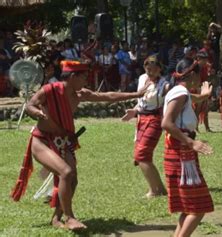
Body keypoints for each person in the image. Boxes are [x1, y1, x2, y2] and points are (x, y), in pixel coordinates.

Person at [10, 60, 148, 230]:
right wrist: (37, 113)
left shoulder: (80, 94)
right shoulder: (50, 90)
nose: (86, 81)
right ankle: (70, 217)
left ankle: (56, 218)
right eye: (84, 77)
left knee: (72, 179)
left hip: (64, 142)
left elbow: (108, 96)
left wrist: (136, 95)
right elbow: (30, 104)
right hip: (42, 141)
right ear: (73, 76)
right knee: (66, 173)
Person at [161, 58, 214, 237]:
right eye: (200, 75)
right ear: (192, 75)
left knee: (188, 208)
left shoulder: (180, 92)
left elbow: (195, 98)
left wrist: (205, 95)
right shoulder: (181, 93)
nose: (201, 79)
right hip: (182, 154)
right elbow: (166, 123)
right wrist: (192, 143)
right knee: (198, 208)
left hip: (179, 152)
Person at [121, 55, 169, 198]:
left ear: (160, 69)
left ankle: (155, 190)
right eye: (148, 70)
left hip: (155, 120)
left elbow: (174, 99)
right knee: (141, 156)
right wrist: (135, 111)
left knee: (142, 155)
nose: (150, 73)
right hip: (141, 119)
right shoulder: (142, 78)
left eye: (153, 70)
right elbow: (141, 101)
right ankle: (158, 188)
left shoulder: (164, 85)